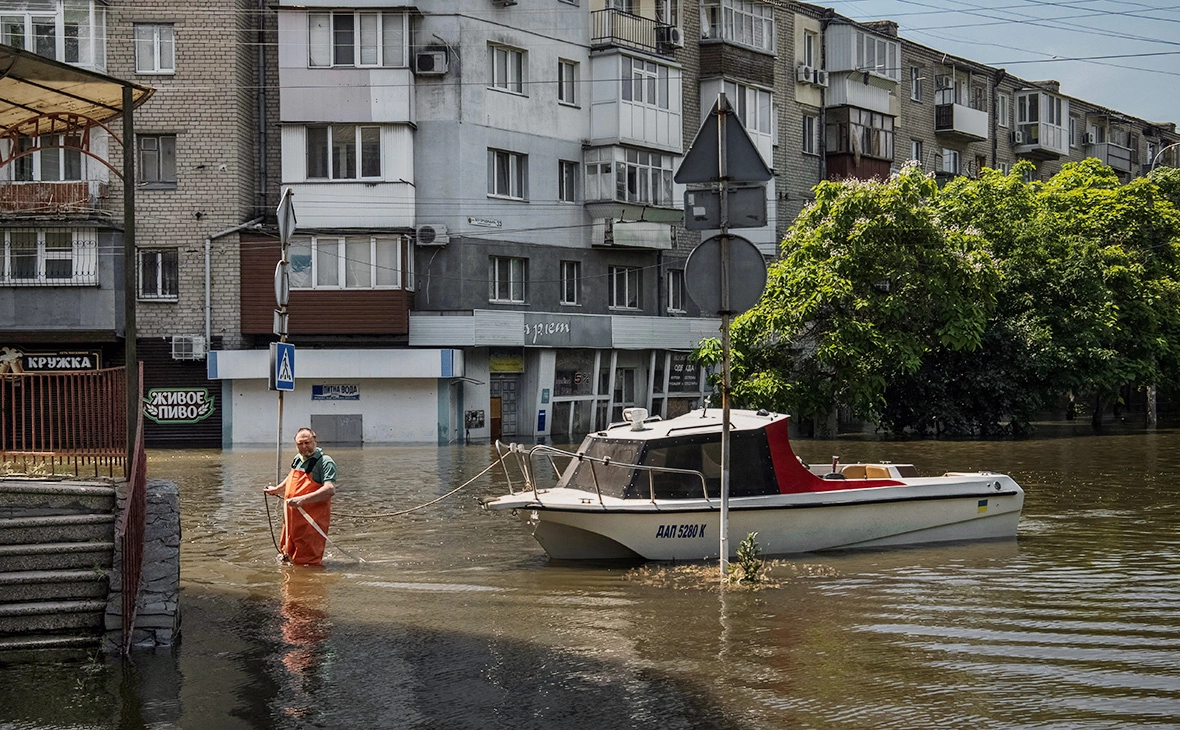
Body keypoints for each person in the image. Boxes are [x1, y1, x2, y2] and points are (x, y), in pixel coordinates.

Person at [266, 427, 337, 566]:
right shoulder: (298, 459)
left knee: (307, 561)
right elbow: (291, 477)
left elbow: (330, 489)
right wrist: (277, 489)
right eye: (300, 444)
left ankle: (308, 584)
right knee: (286, 553)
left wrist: (302, 499)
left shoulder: (325, 462)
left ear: (315, 441)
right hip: (292, 518)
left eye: (307, 442)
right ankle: (290, 584)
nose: (304, 447)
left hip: (311, 521)